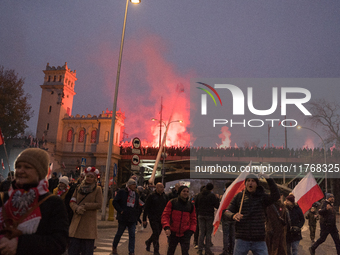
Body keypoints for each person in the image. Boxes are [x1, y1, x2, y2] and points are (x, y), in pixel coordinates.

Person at [0, 148, 69, 255]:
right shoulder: (3, 198)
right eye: (18, 167)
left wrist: (20, 244)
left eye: (27, 167)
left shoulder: (53, 203)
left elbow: (59, 243)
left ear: (40, 172)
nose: (20, 171)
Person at [224, 173, 280, 255]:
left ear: (257, 184)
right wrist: (233, 216)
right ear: (245, 183)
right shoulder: (239, 197)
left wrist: (269, 179)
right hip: (242, 239)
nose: (250, 183)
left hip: (259, 239)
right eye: (248, 181)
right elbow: (227, 212)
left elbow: (276, 195)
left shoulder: (263, 197)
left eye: (253, 181)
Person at [68, 166, 102, 255]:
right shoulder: (78, 188)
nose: (89, 178)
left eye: (91, 177)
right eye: (88, 176)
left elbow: (99, 204)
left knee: (87, 251)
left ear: (95, 178)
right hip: (76, 222)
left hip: (88, 225)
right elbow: (72, 201)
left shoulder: (97, 189)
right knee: (72, 251)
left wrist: (85, 206)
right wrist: (76, 208)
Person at [162, 185, 197, 255]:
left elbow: (193, 220)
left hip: (185, 233)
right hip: (173, 232)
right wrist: (166, 227)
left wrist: (191, 231)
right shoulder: (172, 202)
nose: (185, 193)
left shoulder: (190, 206)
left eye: (187, 191)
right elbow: (165, 215)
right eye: (183, 191)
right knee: (170, 251)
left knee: (185, 252)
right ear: (179, 192)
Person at [111, 179, 140, 255]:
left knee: (132, 235)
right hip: (123, 217)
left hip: (132, 218)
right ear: (129, 185)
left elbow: (137, 205)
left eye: (135, 184)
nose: (135, 186)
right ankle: (114, 247)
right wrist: (120, 210)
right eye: (133, 184)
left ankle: (131, 251)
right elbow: (115, 202)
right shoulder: (122, 192)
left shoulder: (136, 194)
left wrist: (137, 215)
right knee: (119, 233)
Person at [143, 182, 168, 255]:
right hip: (153, 218)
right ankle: (156, 250)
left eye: (163, 187)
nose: (162, 189)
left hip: (161, 218)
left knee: (157, 233)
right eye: (161, 187)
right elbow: (146, 208)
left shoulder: (164, 197)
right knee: (156, 232)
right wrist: (144, 219)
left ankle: (148, 242)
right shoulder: (151, 196)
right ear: (156, 188)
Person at [195, 183, 220, 255]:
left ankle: (200, 250)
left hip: (200, 215)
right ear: (211, 189)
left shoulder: (199, 195)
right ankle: (207, 250)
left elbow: (196, 205)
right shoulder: (212, 195)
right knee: (208, 233)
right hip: (209, 216)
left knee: (201, 233)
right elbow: (217, 205)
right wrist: (217, 199)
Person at [220, 181, 236, 255]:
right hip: (233, 217)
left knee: (226, 234)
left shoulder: (225, 195)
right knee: (233, 235)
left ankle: (225, 251)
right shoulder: (236, 195)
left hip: (226, 216)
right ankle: (232, 250)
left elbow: (221, 207)